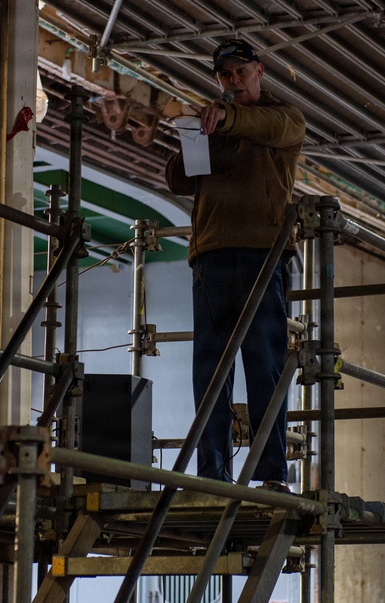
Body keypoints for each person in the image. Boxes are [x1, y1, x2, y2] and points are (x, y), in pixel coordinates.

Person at [165, 38, 305, 491]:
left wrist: (226, 119)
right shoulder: (218, 125)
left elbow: (267, 127)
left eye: (240, 72)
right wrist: (194, 137)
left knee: (263, 365)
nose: (233, 81)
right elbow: (178, 178)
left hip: (262, 253)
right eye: (225, 75)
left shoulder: (285, 118)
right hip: (210, 254)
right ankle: (212, 475)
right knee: (210, 372)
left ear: (259, 71)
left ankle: (271, 476)